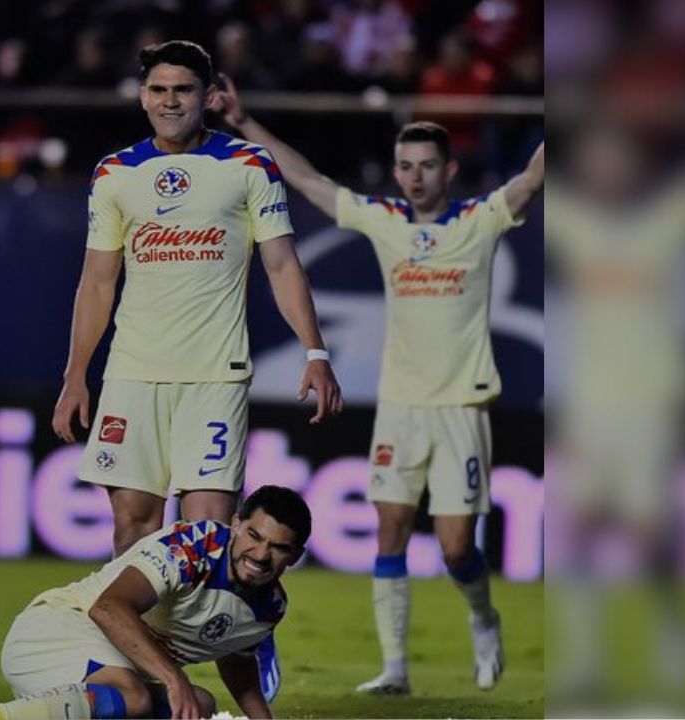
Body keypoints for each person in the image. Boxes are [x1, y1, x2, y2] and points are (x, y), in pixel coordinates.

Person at [210, 74, 543, 695]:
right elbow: (308, 182)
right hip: (399, 407)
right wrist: (244, 121)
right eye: (404, 166)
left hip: (461, 406)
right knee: (389, 529)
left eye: (425, 166)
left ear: (449, 170)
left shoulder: (480, 218)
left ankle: (482, 616)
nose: (414, 176)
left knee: (453, 550)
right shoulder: (386, 220)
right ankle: (394, 669)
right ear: (395, 172)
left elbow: (531, 177)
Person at [50, 41, 342, 704]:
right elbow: (98, 280)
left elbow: (281, 265)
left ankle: (239, 646)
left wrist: (316, 351)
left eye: (183, 89)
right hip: (133, 373)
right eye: (158, 90)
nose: (169, 101)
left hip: (214, 374)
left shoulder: (245, 165)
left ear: (210, 94)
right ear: (142, 95)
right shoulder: (115, 173)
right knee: (131, 530)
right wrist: (76, 374)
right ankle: (144, 681)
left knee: (209, 536)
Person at [0, 485, 313, 720]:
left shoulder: (269, 609)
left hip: (102, 667)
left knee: (200, 705)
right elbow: (107, 608)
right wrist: (172, 677)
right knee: (137, 698)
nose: (261, 554)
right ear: (235, 524)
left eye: (278, 547)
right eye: (253, 535)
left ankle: (38, 711)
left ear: (295, 556)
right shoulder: (193, 548)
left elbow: (236, 660)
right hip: (55, 630)